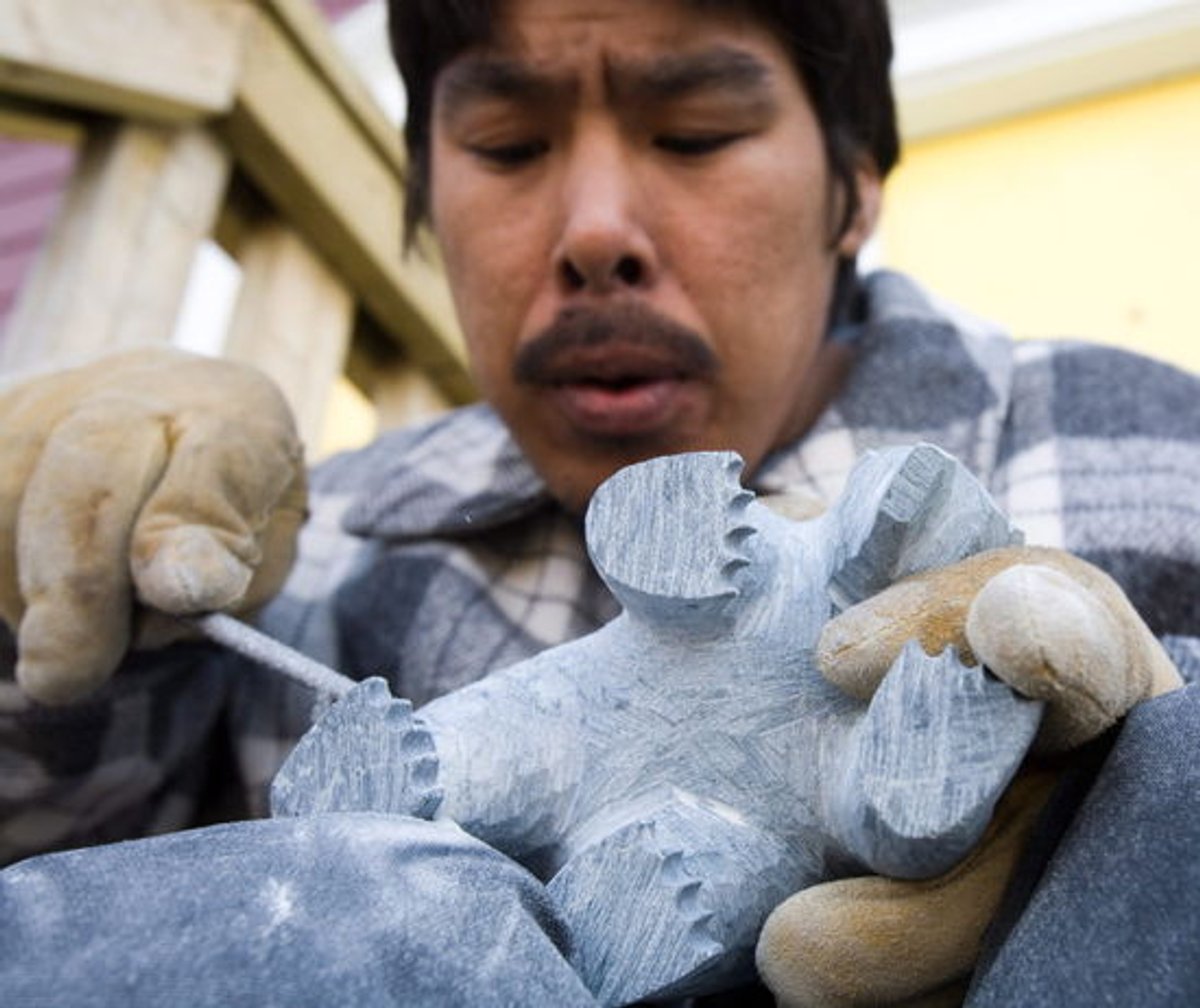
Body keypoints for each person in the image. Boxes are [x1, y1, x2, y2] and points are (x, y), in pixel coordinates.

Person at [0, 1, 1197, 1005]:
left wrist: (1145, 807)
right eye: (510, 148)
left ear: (855, 190)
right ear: (421, 201)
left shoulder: (1152, 452)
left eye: (698, 132)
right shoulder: (321, 558)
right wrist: (64, 592)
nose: (595, 234)